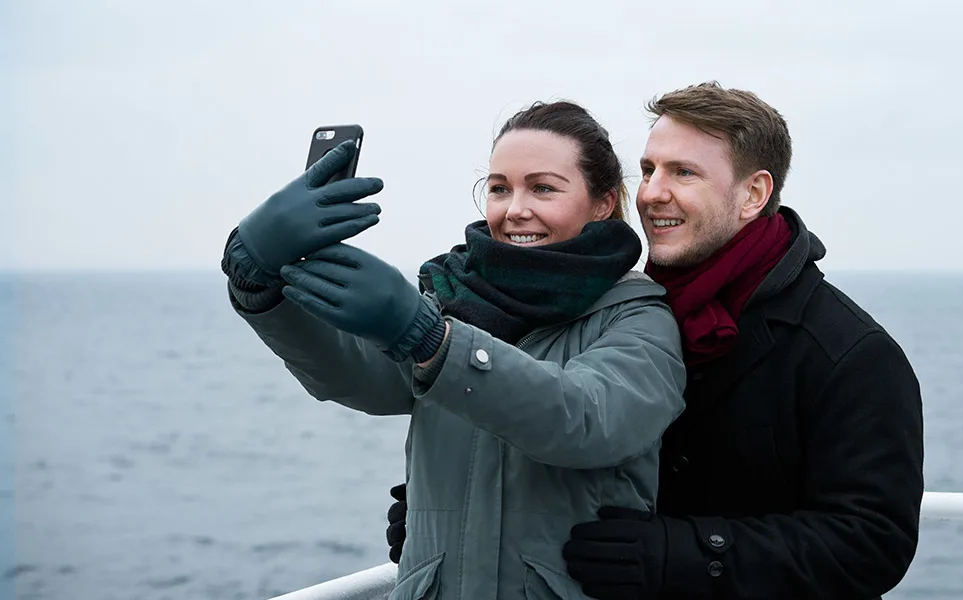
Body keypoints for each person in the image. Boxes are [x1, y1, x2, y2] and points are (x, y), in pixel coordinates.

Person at [386, 82, 926, 600]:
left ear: (753, 194)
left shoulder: (848, 352)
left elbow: (873, 542)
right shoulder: (626, 307)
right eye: (648, 170)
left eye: (683, 173)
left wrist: (684, 554)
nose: (651, 194)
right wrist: (474, 510)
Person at [223, 101, 687, 600]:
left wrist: (432, 340)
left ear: (602, 202)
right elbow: (361, 377)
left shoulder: (638, 317)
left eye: (544, 188)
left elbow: (587, 420)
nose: (515, 209)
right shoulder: (453, 298)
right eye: (499, 188)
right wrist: (260, 290)